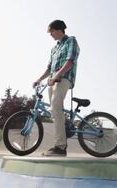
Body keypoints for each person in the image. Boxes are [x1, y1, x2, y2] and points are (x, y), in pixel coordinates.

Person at [33, 20, 80, 156]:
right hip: (52, 81)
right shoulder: (54, 49)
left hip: (64, 79)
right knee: (54, 111)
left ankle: (60, 147)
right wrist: (39, 79)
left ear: (59, 29)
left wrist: (57, 76)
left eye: (51, 31)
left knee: (55, 108)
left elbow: (70, 62)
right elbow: (49, 68)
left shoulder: (71, 41)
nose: (50, 35)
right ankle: (62, 134)